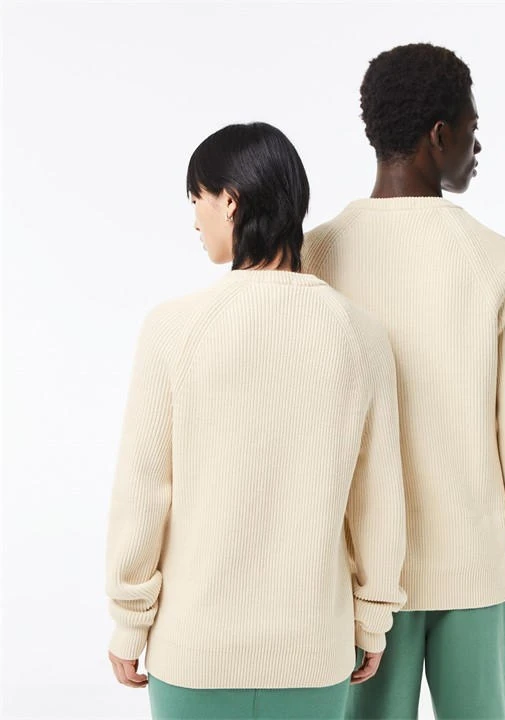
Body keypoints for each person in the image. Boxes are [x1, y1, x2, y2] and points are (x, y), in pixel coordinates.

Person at [104, 122, 407, 720]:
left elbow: (143, 493)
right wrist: (372, 619)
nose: (195, 219)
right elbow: (377, 500)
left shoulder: (173, 330)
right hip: (312, 651)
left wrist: (129, 622)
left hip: (194, 653)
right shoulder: (360, 334)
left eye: (197, 197)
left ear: (230, 200)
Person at [301, 43, 505, 720]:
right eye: (472, 129)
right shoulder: (500, 263)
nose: (478, 146)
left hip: (354, 582)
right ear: (439, 135)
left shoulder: (311, 256)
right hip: (476, 571)